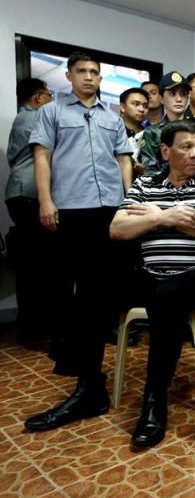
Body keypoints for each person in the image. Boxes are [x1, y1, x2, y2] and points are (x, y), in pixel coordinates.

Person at [24, 51, 134, 432]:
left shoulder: (111, 116)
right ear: (68, 76)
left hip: (111, 210)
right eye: (82, 71)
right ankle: (85, 376)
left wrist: (130, 202)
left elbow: (123, 161)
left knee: (100, 293)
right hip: (71, 208)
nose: (89, 77)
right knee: (76, 292)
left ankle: (89, 379)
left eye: (95, 72)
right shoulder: (52, 112)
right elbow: (42, 157)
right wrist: (45, 200)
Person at [109, 120, 195, 448]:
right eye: (186, 147)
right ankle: (85, 386)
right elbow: (117, 229)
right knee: (97, 282)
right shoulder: (145, 184)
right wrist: (167, 216)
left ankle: (154, 400)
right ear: (165, 151)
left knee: (167, 297)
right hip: (152, 272)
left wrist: (161, 218)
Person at [5, 78, 54, 343]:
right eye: (49, 95)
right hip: (29, 195)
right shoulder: (33, 118)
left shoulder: (21, 119)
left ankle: (34, 328)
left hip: (21, 194)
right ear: (38, 98)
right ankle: (34, 331)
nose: (52, 100)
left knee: (35, 265)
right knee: (36, 267)